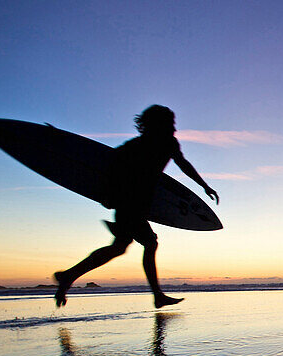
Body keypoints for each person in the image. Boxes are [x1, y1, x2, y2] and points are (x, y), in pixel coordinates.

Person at [54, 105, 219, 308]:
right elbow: (106, 166)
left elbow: (183, 164)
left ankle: (68, 276)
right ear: (157, 124)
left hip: (139, 204)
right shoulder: (136, 146)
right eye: (170, 123)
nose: (174, 127)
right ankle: (157, 296)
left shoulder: (168, 143)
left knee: (120, 247)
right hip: (128, 202)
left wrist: (204, 186)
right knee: (148, 244)